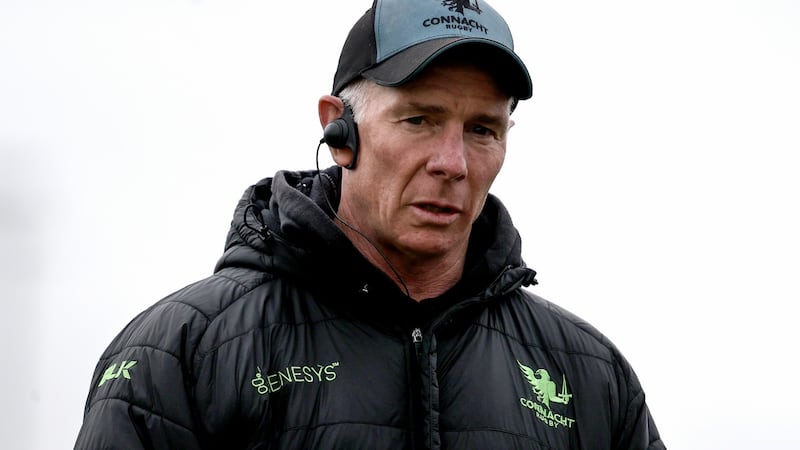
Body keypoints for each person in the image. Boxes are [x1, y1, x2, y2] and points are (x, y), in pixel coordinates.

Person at [75, 0, 665, 448]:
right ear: (340, 131)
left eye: (483, 130)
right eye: (418, 120)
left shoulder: (589, 374)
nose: (452, 164)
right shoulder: (182, 351)